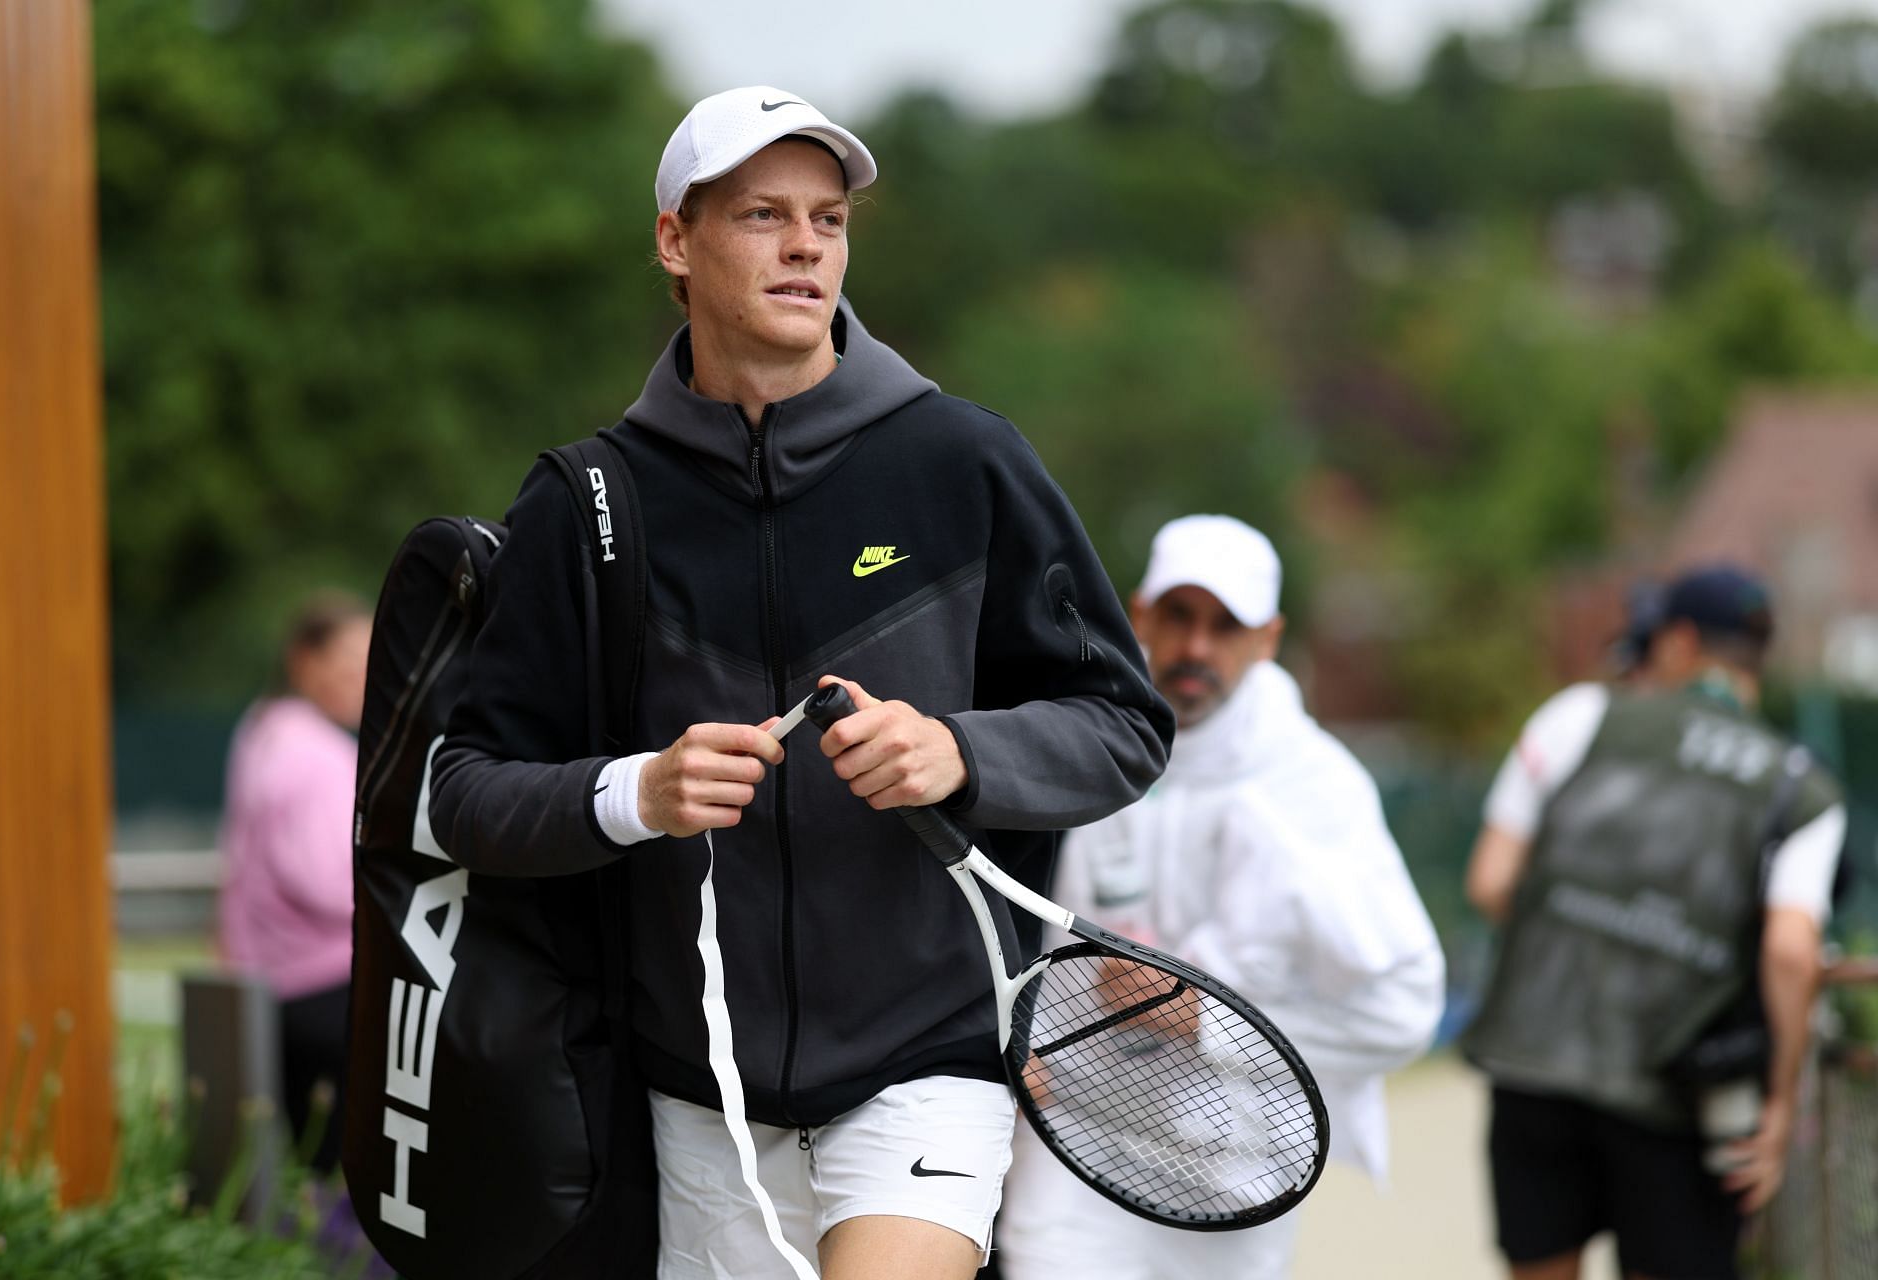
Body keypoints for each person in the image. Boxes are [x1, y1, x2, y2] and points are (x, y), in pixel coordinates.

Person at [427, 86, 1172, 1280]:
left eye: (827, 218)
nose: (805, 244)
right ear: (677, 239)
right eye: (763, 214)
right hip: (688, 1086)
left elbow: (1125, 724)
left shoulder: (965, 460)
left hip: (928, 1056)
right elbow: (465, 789)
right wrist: (639, 790)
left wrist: (962, 753)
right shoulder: (586, 502)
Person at [997, 514, 1446, 1280]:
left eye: (1226, 626)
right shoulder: (1080, 737)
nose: (1197, 648)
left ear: (1268, 638)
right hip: (1070, 1145)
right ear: (1138, 615)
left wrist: (1207, 1017)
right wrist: (1005, 1045)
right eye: (1179, 616)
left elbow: (1402, 1011)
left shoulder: (1316, 789)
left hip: (1233, 1184)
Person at [1462, 565, 1847, 1280]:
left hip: (1536, 1062)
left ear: (1676, 640)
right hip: (1675, 1090)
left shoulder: (1582, 714)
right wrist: (1783, 1104)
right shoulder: (1804, 788)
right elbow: (1792, 954)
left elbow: (1490, 880)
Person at [218, 589, 372, 1173]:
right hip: (325, 987)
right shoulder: (317, 755)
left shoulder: (260, 732)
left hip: (272, 981)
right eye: (349, 667)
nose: (362, 681)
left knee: (300, 1161)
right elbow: (326, 882)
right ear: (305, 663)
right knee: (340, 1165)